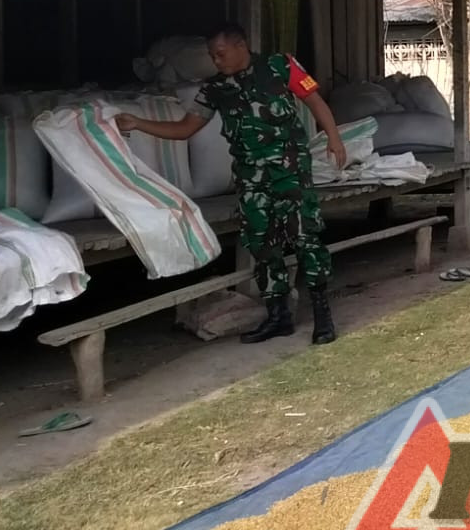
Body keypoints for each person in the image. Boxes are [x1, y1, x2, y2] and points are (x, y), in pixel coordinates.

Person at [116, 24, 350, 346]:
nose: (216, 61)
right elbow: (185, 129)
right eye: (212, 56)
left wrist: (334, 138)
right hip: (251, 179)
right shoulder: (215, 88)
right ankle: (278, 317)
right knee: (262, 245)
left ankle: (322, 315)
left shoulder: (280, 66)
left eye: (220, 54)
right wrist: (138, 123)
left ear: (241, 46)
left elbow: (314, 101)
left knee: (305, 238)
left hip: (290, 172)